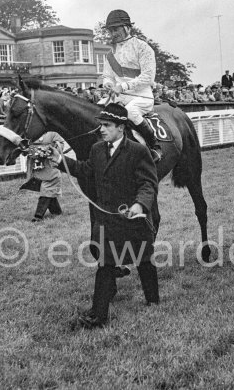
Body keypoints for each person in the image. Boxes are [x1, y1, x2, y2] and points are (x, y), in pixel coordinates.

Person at [50, 103, 159, 329]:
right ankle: (97, 315)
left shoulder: (138, 151)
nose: (101, 129)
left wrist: (140, 206)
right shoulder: (97, 149)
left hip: (133, 220)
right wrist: (61, 161)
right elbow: (86, 169)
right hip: (107, 221)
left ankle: (153, 300)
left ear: (121, 128)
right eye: (101, 125)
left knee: (144, 261)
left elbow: (149, 184)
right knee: (106, 265)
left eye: (107, 125)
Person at [102, 9, 162, 162]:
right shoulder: (110, 54)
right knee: (97, 110)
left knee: (130, 111)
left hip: (142, 95)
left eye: (116, 29)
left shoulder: (143, 47)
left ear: (127, 27)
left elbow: (148, 77)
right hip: (118, 97)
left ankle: (154, 147)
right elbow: (107, 76)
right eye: (110, 30)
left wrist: (122, 87)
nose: (113, 33)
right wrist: (108, 84)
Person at [27, 132, 65, 222]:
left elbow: (61, 145)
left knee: (47, 188)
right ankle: (57, 212)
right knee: (48, 191)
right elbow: (27, 147)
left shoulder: (53, 133)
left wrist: (50, 150)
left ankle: (38, 216)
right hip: (39, 168)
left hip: (51, 167)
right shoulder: (33, 133)